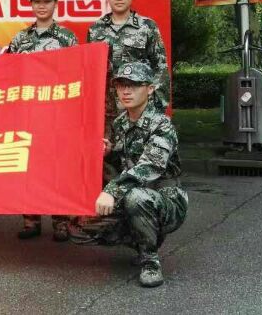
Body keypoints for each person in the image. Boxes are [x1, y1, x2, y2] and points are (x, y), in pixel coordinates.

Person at [70, 62, 187, 288]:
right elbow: (122, 162)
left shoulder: (162, 125)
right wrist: (108, 152)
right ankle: (139, 239)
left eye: (133, 85)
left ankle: (150, 261)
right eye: (121, 85)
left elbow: (150, 166)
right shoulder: (121, 123)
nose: (126, 91)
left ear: (150, 89)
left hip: (167, 198)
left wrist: (112, 192)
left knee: (136, 198)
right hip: (134, 191)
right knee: (81, 222)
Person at [5, 0, 78, 242]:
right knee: (30, 166)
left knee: (58, 167)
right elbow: (6, 71)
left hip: (58, 113)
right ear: (31, 4)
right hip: (29, 113)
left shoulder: (67, 38)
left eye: (46, 1)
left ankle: (60, 221)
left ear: (55, 4)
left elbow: (77, 73)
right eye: (37, 1)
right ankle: (31, 220)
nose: (42, 5)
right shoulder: (20, 39)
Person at [87, 0, 170, 135]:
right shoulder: (95, 30)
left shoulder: (147, 27)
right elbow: (91, 71)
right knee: (109, 149)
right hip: (107, 111)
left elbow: (160, 68)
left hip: (139, 108)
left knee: (137, 149)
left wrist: (157, 107)